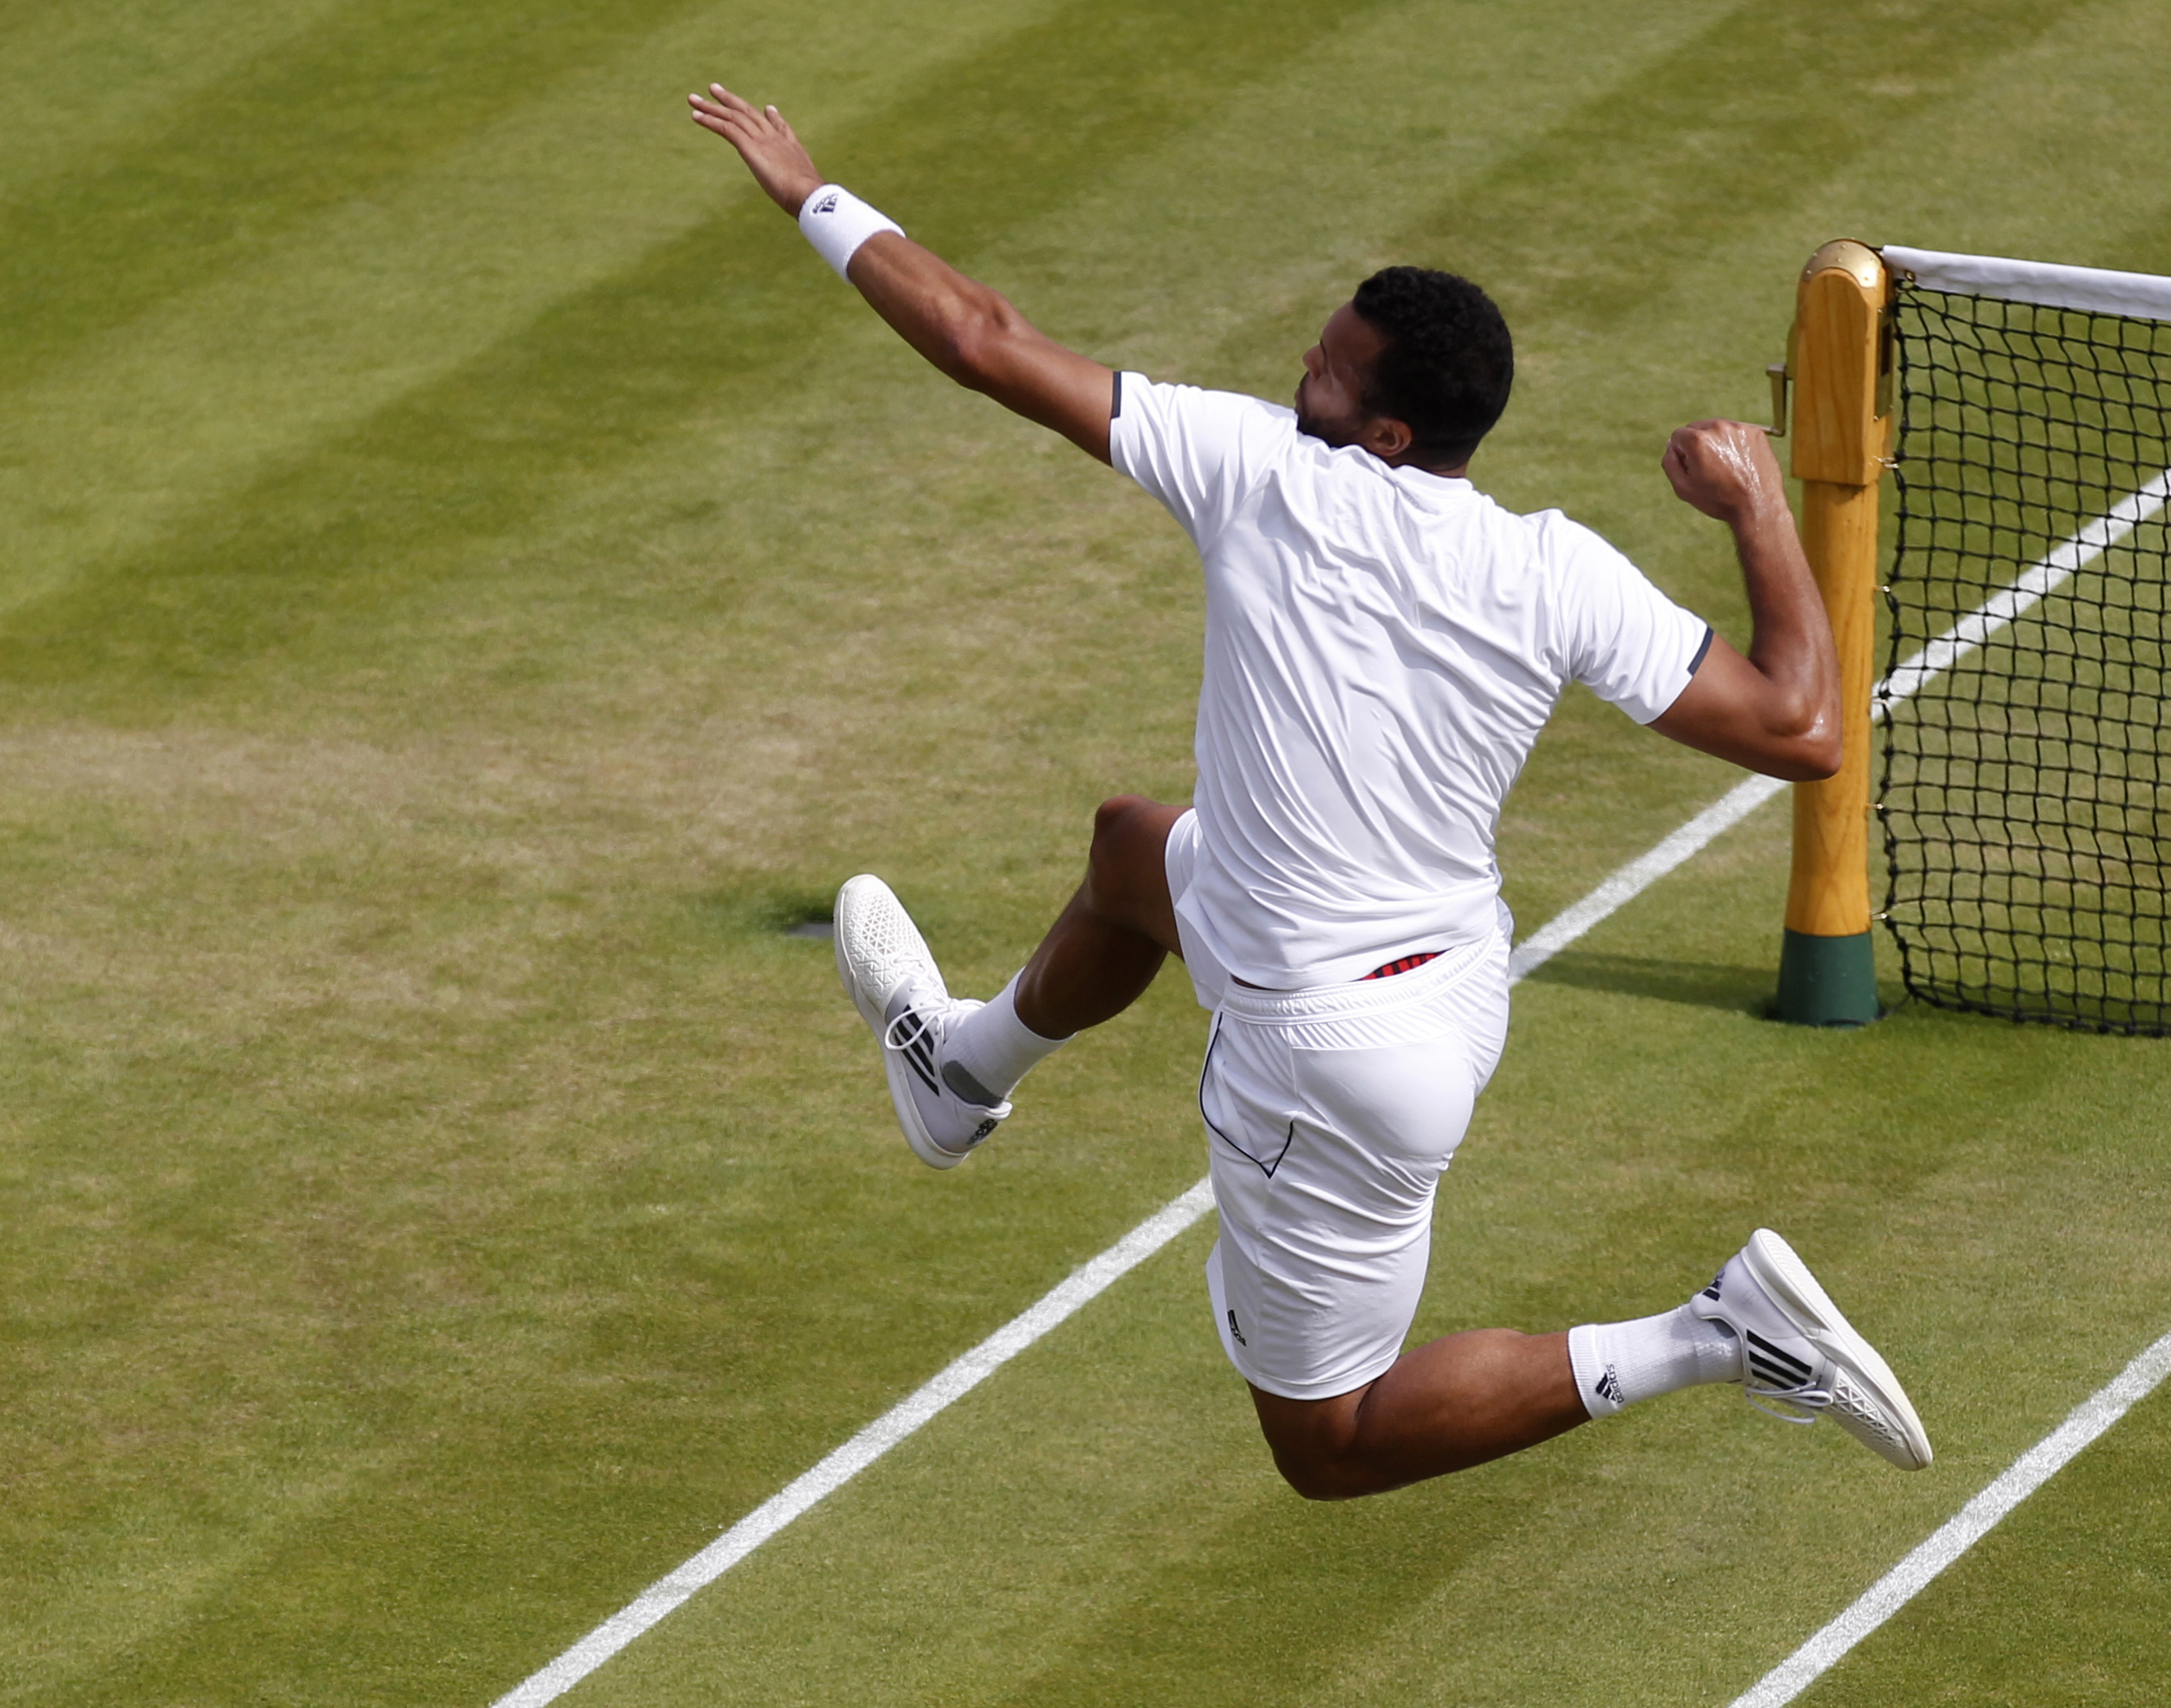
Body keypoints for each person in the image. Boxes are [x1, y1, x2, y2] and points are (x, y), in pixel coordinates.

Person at [691, 84, 1931, 1498]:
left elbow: (983, 340)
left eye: (1332, 368)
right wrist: (1759, 506)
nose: (1304, 365)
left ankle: (1712, 1337)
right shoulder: (1553, 566)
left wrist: (811, 195)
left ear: (1391, 430)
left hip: (1325, 1051)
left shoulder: (1259, 475)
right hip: (1452, 979)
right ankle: (958, 1073)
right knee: (1132, 850)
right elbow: (1803, 723)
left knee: (1331, 1444)